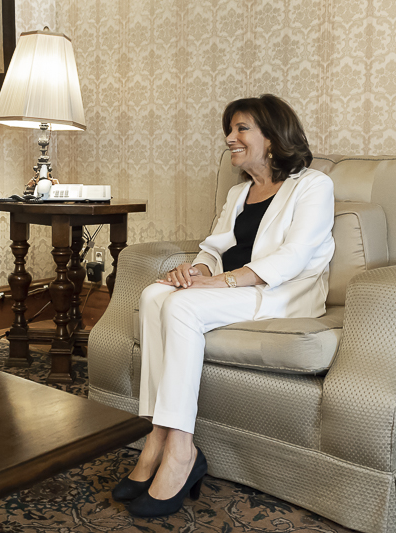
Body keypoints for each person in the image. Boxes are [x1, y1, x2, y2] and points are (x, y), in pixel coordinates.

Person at [113, 94, 335, 517]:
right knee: (153, 295)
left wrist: (221, 282)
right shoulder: (239, 193)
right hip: (230, 287)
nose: (230, 138)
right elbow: (213, 248)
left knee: (180, 308)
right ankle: (157, 436)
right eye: (229, 131)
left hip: (279, 293)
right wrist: (193, 272)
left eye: (241, 129)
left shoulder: (312, 186)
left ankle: (180, 451)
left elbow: (294, 257)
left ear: (272, 137)